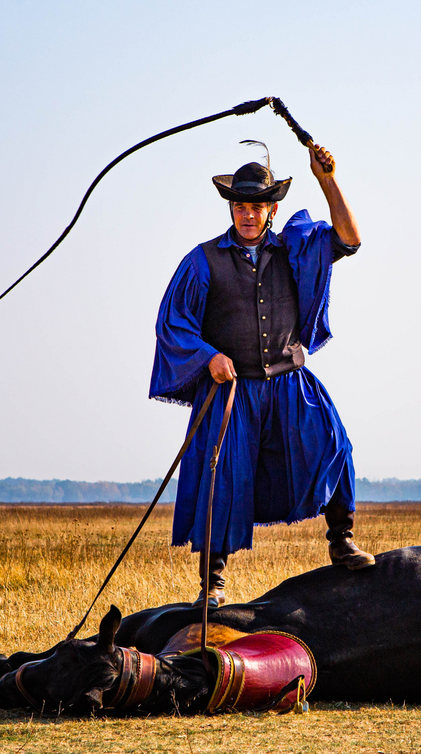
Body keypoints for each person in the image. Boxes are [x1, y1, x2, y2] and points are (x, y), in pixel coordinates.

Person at [150, 144, 375, 607]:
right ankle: (211, 586)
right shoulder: (203, 260)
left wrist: (327, 180)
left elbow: (350, 239)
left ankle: (341, 540)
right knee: (222, 478)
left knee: (333, 447)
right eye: (240, 205)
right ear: (231, 207)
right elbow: (172, 323)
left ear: (272, 208)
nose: (248, 214)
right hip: (232, 392)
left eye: (257, 206)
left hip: (292, 384)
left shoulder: (297, 247)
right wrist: (207, 355)